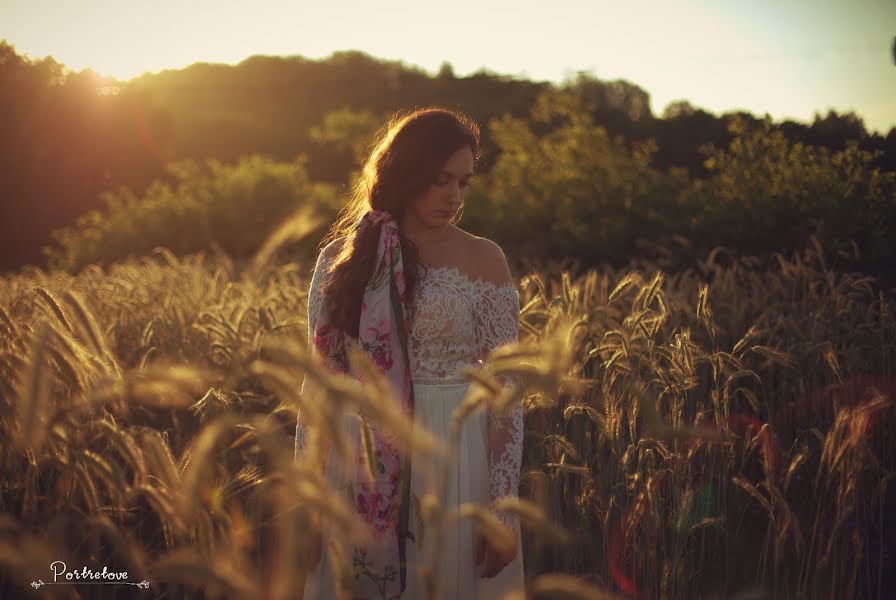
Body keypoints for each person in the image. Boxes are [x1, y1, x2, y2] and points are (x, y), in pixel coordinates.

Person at [295, 107, 524, 599]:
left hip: (453, 460)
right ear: (406, 171)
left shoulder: (483, 259)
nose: (454, 197)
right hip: (360, 463)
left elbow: (507, 391)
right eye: (441, 180)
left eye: (464, 182)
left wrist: (503, 508)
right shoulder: (341, 259)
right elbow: (318, 386)